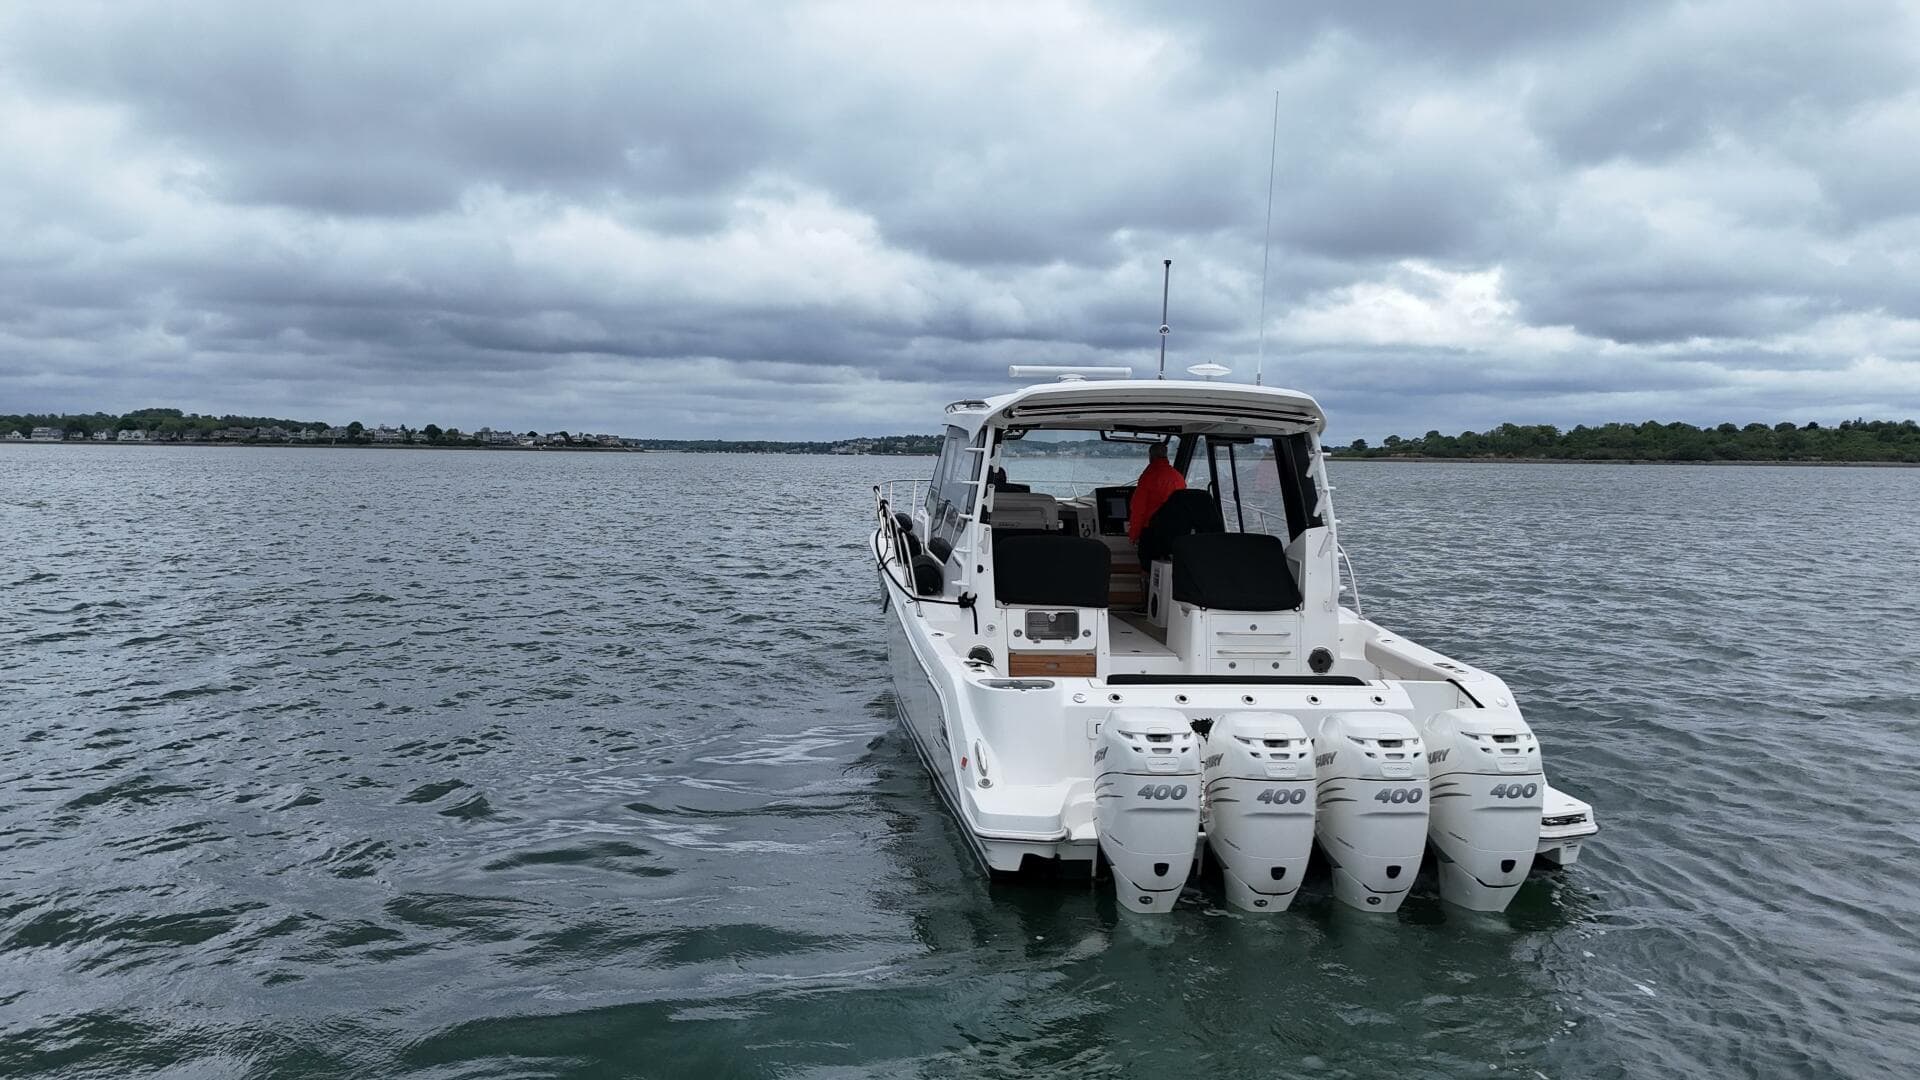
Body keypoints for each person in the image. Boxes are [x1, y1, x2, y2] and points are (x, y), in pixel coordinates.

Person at [1127, 442, 1185, 546]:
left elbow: (1138, 508)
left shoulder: (1149, 477)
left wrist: (1134, 534)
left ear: (1151, 456)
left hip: (1152, 531)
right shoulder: (1178, 477)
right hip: (1174, 532)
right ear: (1166, 455)